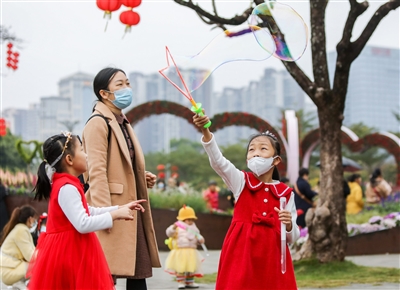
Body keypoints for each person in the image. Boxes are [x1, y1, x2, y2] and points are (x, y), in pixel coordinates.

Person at [193, 112, 299, 290]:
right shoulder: (241, 181)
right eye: (251, 149)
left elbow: (292, 237)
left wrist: (288, 225)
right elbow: (218, 162)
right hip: (241, 252)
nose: (256, 153)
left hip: (273, 256)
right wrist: (206, 132)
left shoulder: (286, 193)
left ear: (276, 160)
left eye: (263, 149)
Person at [27, 132, 147, 289]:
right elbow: (82, 223)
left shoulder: (67, 184)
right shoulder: (66, 187)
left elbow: (87, 210)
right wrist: (115, 215)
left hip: (70, 250)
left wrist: (120, 208)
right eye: (82, 150)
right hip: (68, 253)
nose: (86, 155)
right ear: (69, 160)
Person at [82, 67, 161, 290]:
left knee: (138, 272)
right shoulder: (98, 122)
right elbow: (95, 173)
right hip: (113, 208)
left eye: (127, 83)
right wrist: (106, 214)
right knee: (106, 274)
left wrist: (139, 176)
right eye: (120, 84)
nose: (127, 88)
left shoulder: (121, 121)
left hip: (129, 208)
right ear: (104, 93)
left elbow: (121, 165)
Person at [165, 205, 205, 289]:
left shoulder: (194, 228)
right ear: (182, 219)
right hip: (180, 251)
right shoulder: (178, 227)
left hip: (191, 251)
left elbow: (197, 236)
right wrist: (173, 227)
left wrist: (200, 240)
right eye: (188, 220)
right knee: (181, 268)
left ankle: (190, 282)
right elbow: (169, 233)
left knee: (191, 268)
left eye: (192, 220)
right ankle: (181, 282)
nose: (190, 221)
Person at [0, 205, 37, 289]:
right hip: (9, 271)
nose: (35, 221)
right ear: (30, 219)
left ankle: (20, 284)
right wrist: (46, 253)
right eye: (35, 218)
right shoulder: (21, 230)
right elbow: (30, 256)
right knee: (40, 265)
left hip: (9, 269)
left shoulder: (20, 228)